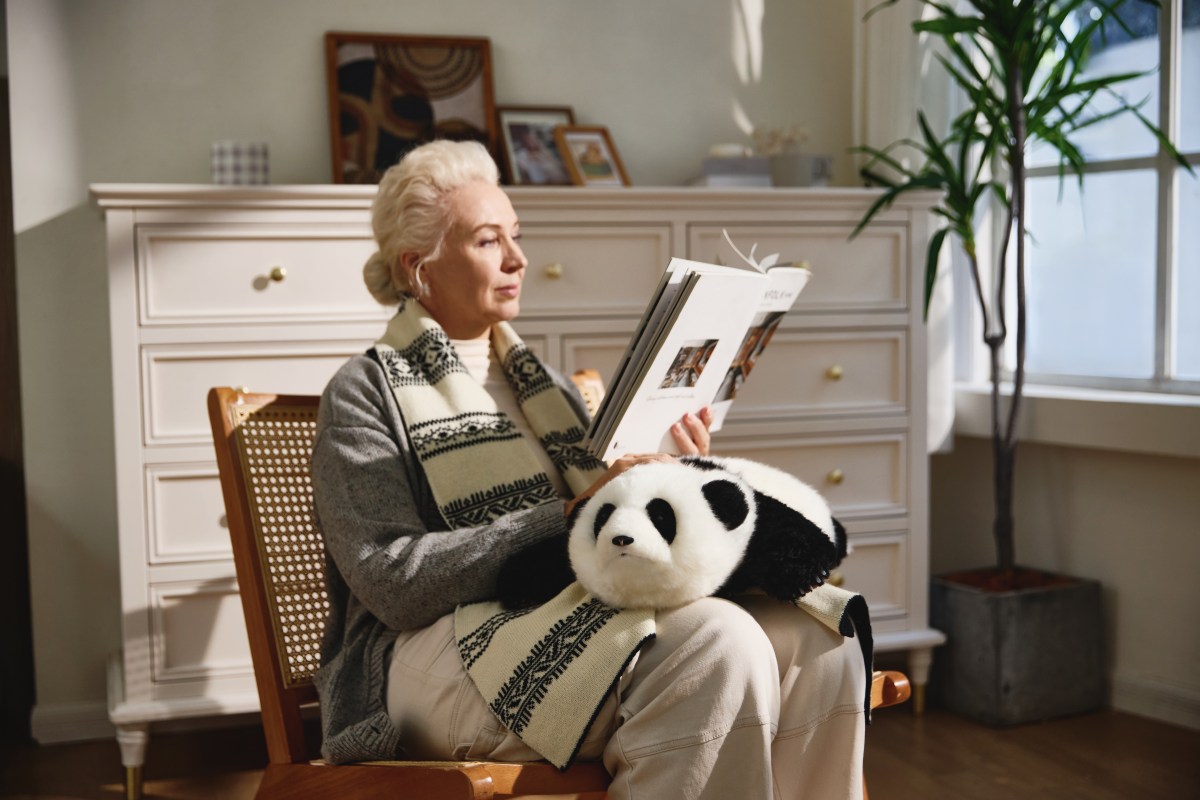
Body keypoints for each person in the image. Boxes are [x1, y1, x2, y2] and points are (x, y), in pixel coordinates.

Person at [310, 139, 868, 799]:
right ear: (417, 266)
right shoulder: (363, 394)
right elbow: (393, 582)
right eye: (489, 242)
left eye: (515, 236)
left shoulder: (543, 385)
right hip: (424, 655)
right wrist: (571, 517)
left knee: (817, 633)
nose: (518, 259)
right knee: (717, 642)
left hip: (569, 610)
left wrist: (676, 470)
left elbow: (611, 527)